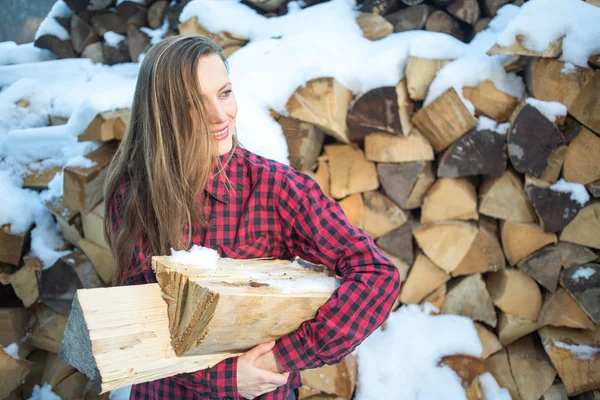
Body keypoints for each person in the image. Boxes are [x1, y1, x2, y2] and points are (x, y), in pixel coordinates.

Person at [103, 34, 401, 400]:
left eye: (224, 93)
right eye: (194, 104)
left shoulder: (275, 188)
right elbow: (140, 328)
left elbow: (376, 274)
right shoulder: (135, 194)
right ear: (162, 113)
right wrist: (223, 378)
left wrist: (282, 358)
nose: (220, 115)